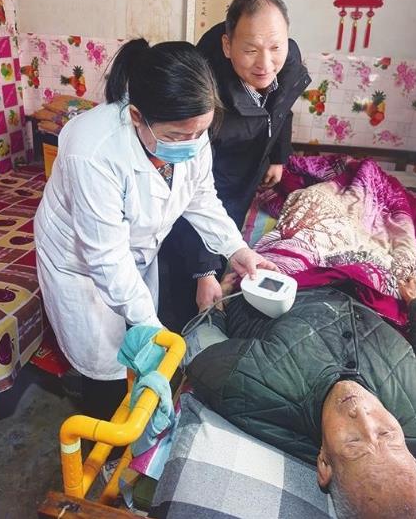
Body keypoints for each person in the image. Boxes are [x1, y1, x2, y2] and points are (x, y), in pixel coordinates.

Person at [34, 38, 275, 418]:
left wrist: (236, 249)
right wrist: (150, 324)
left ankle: (126, 401)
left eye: (199, 133)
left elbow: (200, 197)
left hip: (132, 250)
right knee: (104, 361)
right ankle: (101, 420)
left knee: (137, 331)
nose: (191, 144)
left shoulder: (191, 131)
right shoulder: (93, 152)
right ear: (136, 117)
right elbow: (106, 257)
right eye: (177, 136)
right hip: (80, 263)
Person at [187, 277, 416, 518]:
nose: (362, 413)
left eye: (353, 442)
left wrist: (213, 309)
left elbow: (200, 348)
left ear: (324, 464)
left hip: (278, 283)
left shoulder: (250, 387)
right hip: (357, 286)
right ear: (413, 458)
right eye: (387, 435)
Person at [161, 0, 311, 329]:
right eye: (251, 50)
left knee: (231, 234)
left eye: (276, 48)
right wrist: (203, 270)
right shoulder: (204, 91)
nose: (265, 64)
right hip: (212, 176)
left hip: (249, 169)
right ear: (227, 46)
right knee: (188, 271)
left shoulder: (287, 59)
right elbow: (192, 192)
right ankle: (179, 325)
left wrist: (278, 157)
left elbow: (283, 109)